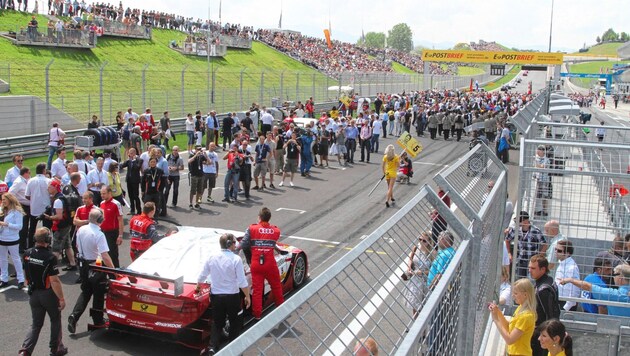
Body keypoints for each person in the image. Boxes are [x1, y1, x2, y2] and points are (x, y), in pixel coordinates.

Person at [196, 233, 251, 356]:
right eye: (234, 243)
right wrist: (247, 296)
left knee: (217, 322)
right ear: (230, 244)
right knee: (235, 322)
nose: (235, 245)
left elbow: (202, 275)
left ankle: (212, 348)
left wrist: (198, 286)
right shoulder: (236, 259)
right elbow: (242, 281)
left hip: (217, 297)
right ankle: (234, 349)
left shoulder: (212, 257)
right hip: (232, 296)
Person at [19, 228, 68, 356]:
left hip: (33, 294)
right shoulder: (50, 257)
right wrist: (61, 299)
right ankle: (56, 348)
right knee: (55, 320)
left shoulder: (27, 253)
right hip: (48, 294)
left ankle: (25, 351)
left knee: (36, 324)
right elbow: (54, 281)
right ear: (47, 240)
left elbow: (25, 273)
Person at [67, 208, 115, 335]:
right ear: (100, 220)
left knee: (86, 291)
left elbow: (77, 246)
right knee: (98, 294)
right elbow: (105, 256)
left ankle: (74, 315)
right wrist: (113, 271)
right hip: (96, 266)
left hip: (83, 264)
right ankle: (98, 320)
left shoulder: (81, 230)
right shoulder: (99, 234)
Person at [239, 207, 284, 319]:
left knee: (257, 290)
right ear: (269, 218)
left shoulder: (252, 228)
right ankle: (281, 310)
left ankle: (257, 315)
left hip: (256, 264)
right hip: (270, 263)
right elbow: (273, 243)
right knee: (277, 287)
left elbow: (243, 245)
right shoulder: (276, 230)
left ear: (259, 217)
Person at [488, 278, 537, 356]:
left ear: (525, 295)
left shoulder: (526, 316)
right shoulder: (520, 308)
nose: (513, 296)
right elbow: (509, 327)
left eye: (516, 293)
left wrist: (496, 319)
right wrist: (498, 312)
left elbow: (509, 339)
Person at [560, 264, 630, 317]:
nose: (612, 276)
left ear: (620, 278)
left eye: (614, 274)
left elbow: (588, 286)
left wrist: (570, 280)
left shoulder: (614, 295)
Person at [529, 254, 561, 356]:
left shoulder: (543, 290)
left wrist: (546, 336)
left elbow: (550, 315)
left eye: (533, 268)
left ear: (543, 269)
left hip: (542, 335)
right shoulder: (548, 280)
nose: (530, 270)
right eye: (529, 267)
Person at [44, 179, 77, 271]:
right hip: (66, 225)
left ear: (55, 188)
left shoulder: (58, 201)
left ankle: (51, 269)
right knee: (67, 245)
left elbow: (59, 216)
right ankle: (73, 263)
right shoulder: (61, 197)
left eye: (50, 187)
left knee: (56, 248)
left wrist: (49, 217)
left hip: (60, 226)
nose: (48, 188)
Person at [506, 211, 547, 279]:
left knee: (531, 280)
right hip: (520, 260)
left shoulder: (535, 231)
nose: (517, 223)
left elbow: (544, 244)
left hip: (533, 261)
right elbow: (507, 240)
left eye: (519, 221)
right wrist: (509, 253)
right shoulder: (515, 230)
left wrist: (539, 256)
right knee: (520, 280)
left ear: (525, 221)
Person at [404, 231, 434, 319]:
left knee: (424, 305)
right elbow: (411, 257)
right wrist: (409, 266)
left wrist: (421, 272)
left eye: (424, 241)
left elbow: (433, 270)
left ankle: (423, 329)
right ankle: (415, 322)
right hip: (415, 280)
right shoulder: (416, 248)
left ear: (429, 242)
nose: (421, 242)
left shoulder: (432, 253)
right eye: (420, 239)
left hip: (425, 281)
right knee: (414, 303)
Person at [0, 192, 25, 288]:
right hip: (2, 238)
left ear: (10, 200)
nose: (3, 202)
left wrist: (6, 224)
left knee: (16, 259)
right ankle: (4, 278)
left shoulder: (17, 212)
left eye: (4, 200)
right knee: (2, 259)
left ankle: (21, 279)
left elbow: (19, 226)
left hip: (12, 239)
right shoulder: (3, 210)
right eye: (2, 200)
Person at [25, 163, 52, 249]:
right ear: (44, 171)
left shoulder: (30, 180)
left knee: (32, 228)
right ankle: (46, 246)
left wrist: (33, 199)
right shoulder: (48, 181)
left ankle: (30, 245)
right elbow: (52, 194)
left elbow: (27, 195)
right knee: (46, 229)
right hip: (46, 209)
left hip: (34, 208)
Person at [99, 186, 123, 268]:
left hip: (112, 233)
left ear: (110, 193)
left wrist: (120, 235)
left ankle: (117, 274)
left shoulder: (116, 204)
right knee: (103, 254)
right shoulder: (101, 203)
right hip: (103, 232)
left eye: (104, 193)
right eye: (101, 194)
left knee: (113, 254)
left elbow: (120, 220)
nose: (102, 195)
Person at [9, 167, 31, 253]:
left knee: (26, 227)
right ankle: (21, 246)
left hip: (28, 206)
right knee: (23, 227)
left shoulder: (25, 180)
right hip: (22, 206)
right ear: (25, 173)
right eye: (29, 173)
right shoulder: (18, 182)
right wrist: (17, 203)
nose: (30, 174)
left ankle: (25, 244)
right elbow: (10, 193)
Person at [554, 240, 580, 311]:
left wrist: (566, 307)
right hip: (559, 300)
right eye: (555, 249)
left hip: (566, 304)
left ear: (568, 253)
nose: (556, 252)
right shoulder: (561, 264)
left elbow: (575, 290)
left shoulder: (572, 267)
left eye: (559, 251)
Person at [121, 148, 143, 215]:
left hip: (135, 180)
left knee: (136, 196)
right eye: (129, 153)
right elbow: (122, 165)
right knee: (130, 196)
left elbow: (137, 168)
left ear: (134, 153)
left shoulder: (139, 160)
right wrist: (128, 159)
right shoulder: (129, 160)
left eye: (131, 153)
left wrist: (133, 160)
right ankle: (132, 209)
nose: (130, 155)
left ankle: (139, 210)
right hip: (129, 180)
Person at [534, 145, 551, 217]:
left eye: (539, 150)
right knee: (537, 196)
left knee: (544, 195)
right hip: (537, 179)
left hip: (544, 181)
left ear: (542, 152)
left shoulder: (546, 160)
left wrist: (537, 165)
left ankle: (545, 211)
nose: (537, 151)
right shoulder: (536, 158)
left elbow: (542, 166)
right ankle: (537, 210)